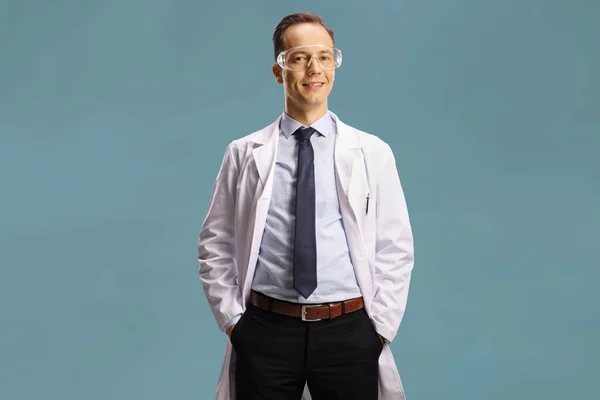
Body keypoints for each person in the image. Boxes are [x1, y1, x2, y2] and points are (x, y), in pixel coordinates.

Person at [197, 11, 414, 400]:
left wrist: (378, 330)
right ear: (279, 70)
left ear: (335, 64)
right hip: (265, 331)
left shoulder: (372, 152)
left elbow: (396, 247)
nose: (314, 68)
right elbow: (214, 243)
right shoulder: (245, 153)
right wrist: (234, 322)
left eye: (325, 56)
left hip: (349, 332)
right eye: (299, 57)